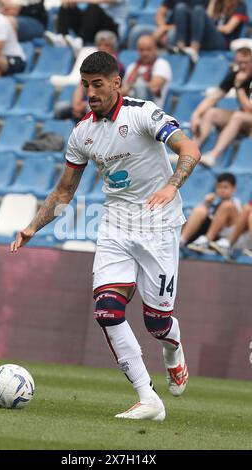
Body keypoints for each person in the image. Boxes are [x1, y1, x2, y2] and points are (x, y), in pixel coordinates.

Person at [11, 51, 201, 421]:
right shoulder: (82, 132)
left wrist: (170, 186)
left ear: (117, 82)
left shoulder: (143, 113)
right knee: (107, 310)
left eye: (97, 84)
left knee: (157, 324)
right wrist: (32, 226)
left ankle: (173, 349)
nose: (90, 92)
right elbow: (65, 191)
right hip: (115, 225)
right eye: (85, 85)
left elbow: (189, 149)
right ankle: (149, 399)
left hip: (158, 226)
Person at [190, 47, 252, 167]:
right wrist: (196, 114)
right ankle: (191, 151)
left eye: (246, 62)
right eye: (240, 63)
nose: (243, 66)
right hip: (246, 117)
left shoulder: (241, 80)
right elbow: (214, 97)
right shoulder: (235, 75)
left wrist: (239, 87)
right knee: (211, 112)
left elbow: (250, 109)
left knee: (238, 116)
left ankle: (213, 155)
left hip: (247, 117)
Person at [54, 30, 125, 122]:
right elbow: (80, 86)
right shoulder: (91, 64)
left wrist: (88, 103)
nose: (102, 48)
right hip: (85, 102)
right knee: (59, 108)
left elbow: (116, 90)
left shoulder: (117, 66)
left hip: (102, 103)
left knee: (91, 108)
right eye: (100, 45)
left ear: (113, 48)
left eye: (106, 45)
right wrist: (76, 104)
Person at [168, 0, 248, 63]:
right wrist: (212, 3)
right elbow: (207, 19)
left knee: (199, 9)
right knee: (180, 8)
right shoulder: (218, 5)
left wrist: (210, 26)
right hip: (207, 39)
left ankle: (194, 49)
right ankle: (180, 48)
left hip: (223, 41)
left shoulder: (240, 5)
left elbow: (228, 29)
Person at [181, 172, 241, 253]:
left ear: (234, 189)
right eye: (219, 187)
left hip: (222, 240)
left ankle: (206, 241)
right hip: (202, 237)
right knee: (200, 210)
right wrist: (206, 203)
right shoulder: (214, 202)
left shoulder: (235, 204)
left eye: (225, 187)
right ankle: (181, 240)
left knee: (226, 205)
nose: (222, 190)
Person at [45, 0, 128, 55]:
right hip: (93, 28)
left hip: (112, 29)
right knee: (66, 5)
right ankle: (61, 37)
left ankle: (80, 41)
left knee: (93, 8)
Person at [121, 34, 172, 109]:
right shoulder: (132, 67)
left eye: (148, 49)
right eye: (141, 50)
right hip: (130, 108)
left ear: (155, 49)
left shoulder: (162, 64)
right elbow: (123, 91)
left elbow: (154, 88)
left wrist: (132, 85)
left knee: (140, 86)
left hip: (152, 111)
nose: (145, 53)